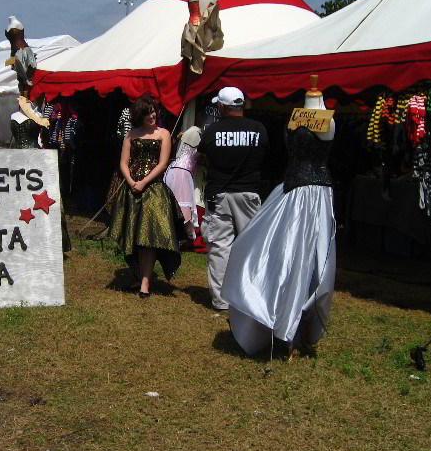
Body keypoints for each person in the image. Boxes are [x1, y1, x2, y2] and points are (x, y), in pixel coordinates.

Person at [221, 81, 336, 357]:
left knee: (309, 260)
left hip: (314, 197)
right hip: (289, 193)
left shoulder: (328, 122)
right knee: (270, 250)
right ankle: (272, 314)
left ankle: (299, 325)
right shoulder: (295, 117)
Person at [197, 86, 268, 311]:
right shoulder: (259, 129)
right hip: (249, 194)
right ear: (242, 104)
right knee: (253, 246)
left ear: (221, 106)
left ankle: (221, 300)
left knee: (219, 248)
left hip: (219, 195)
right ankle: (252, 295)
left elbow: (202, 158)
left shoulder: (210, 131)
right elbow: (265, 157)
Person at [109, 95, 181, 297]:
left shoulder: (164, 133)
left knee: (148, 238)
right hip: (132, 189)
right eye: (148, 112)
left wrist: (143, 182)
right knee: (133, 235)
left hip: (154, 190)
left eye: (154, 111)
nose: (152, 115)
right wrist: (132, 182)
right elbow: (123, 162)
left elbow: (162, 163)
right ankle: (139, 275)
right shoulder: (132, 134)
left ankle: (145, 284)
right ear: (139, 114)